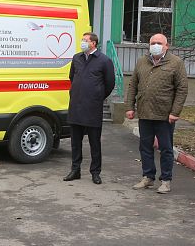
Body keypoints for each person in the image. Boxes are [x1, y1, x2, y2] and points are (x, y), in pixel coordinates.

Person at [125, 33, 188, 194]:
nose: (155, 45)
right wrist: (129, 107)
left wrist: (175, 112)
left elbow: (182, 89)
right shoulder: (142, 61)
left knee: (166, 149)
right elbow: (133, 85)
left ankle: (166, 180)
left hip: (165, 115)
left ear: (166, 46)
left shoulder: (176, 63)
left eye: (159, 43)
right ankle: (148, 176)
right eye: (153, 42)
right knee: (145, 147)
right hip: (145, 113)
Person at [64, 32, 116, 185]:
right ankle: (75, 170)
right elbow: (72, 77)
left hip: (92, 107)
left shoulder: (104, 60)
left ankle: (95, 172)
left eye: (85, 40)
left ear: (94, 43)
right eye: (82, 40)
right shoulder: (77, 58)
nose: (83, 42)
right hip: (76, 106)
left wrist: (97, 96)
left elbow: (110, 83)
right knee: (75, 142)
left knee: (95, 142)